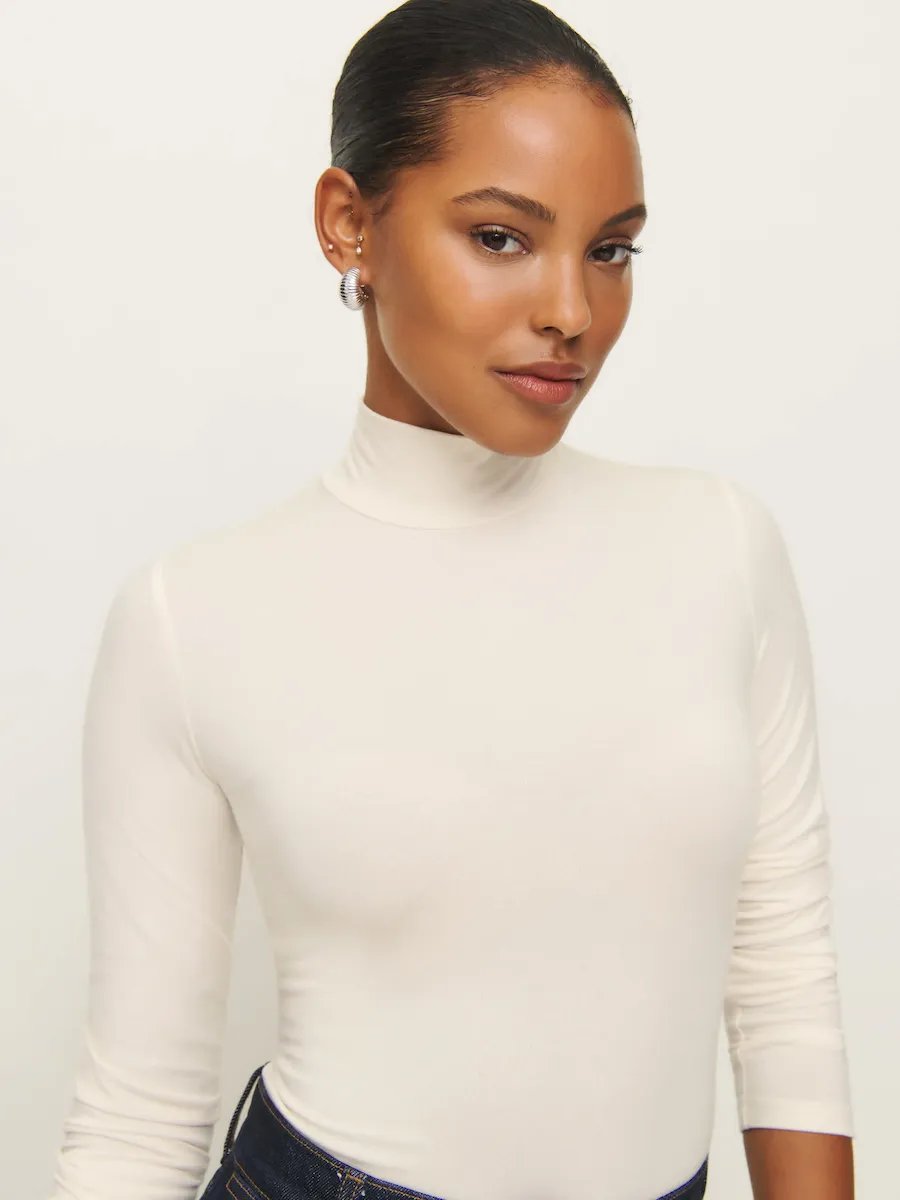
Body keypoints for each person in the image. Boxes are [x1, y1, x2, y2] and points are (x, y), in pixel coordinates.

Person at [48, 1, 855, 1198]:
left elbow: (782, 975)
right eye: (499, 237)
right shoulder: (190, 616)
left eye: (611, 250)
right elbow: (136, 1121)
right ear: (349, 225)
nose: (571, 311)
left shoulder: (720, 547)